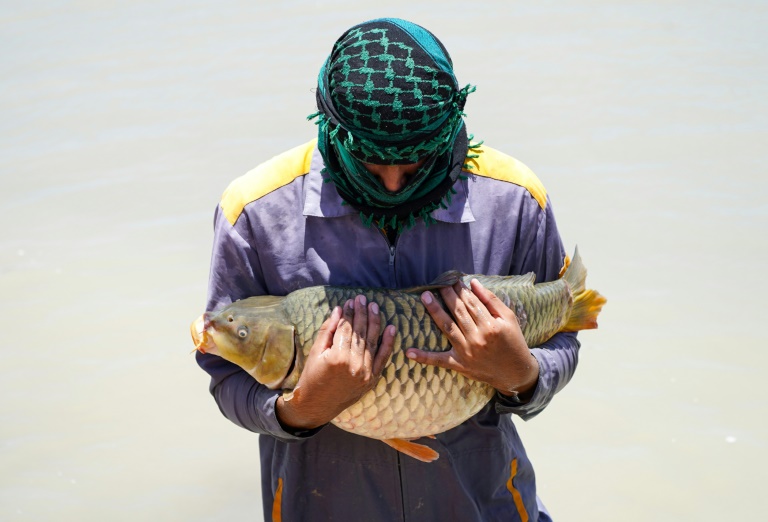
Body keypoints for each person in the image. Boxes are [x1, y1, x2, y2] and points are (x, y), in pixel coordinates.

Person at [196, 18, 580, 521]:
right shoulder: (253, 211)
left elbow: (564, 338)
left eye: (416, 162)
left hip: (485, 505)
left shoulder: (515, 198)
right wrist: (302, 409)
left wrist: (522, 375)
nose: (395, 183)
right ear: (330, 126)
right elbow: (224, 376)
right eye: (371, 162)